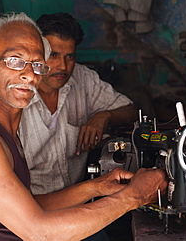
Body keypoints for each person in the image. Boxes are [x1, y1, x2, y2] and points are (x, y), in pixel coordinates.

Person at [0, 12, 168, 241]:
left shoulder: (0, 127)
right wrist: (133, 196)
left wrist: (95, 187)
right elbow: (39, 232)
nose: (29, 75)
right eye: (15, 61)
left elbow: (28, 207)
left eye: (37, 65)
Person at [19, 12, 137, 195]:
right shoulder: (17, 93)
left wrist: (104, 116)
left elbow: (131, 110)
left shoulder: (83, 79)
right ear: (36, 54)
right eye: (54, 55)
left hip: (77, 199)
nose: (63, 66)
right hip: (29, 204)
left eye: (70, 57)